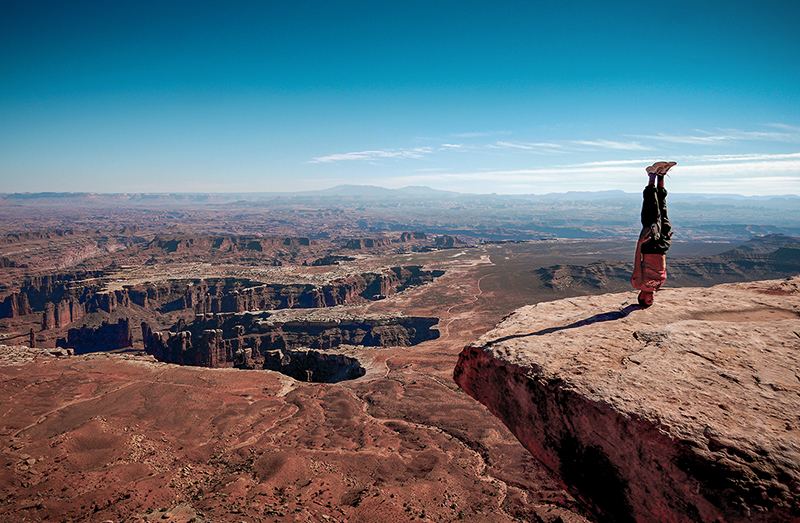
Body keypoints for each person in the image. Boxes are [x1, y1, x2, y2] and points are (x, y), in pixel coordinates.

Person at [631, 161, 676, 308]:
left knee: (652, 211)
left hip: (649, 246)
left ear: (641, 298)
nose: (652, 299)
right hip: (662, 247)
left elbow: (637, 263)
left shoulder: (638, 284)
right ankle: (661, 176)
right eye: (652, 301)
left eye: (649, 301)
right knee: (663, 212)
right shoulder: (657, 286)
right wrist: (667, 241)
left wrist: (640, 243)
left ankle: (651, 174)